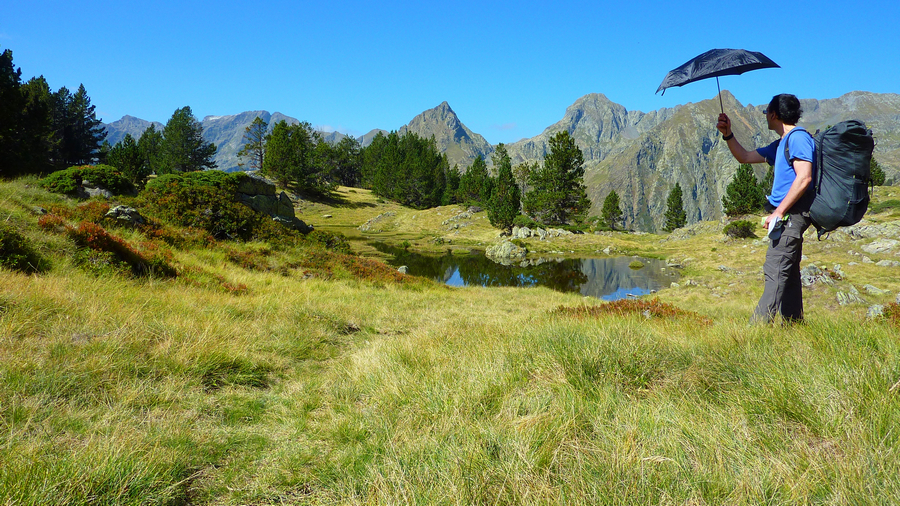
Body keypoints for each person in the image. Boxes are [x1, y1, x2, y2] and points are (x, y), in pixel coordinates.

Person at [716, 94, 814, 324]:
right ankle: (794, 327)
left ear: (774, 114)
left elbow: (804, 178)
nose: (765, 118)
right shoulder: (780, 144)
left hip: (792, 216)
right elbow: (744, 157)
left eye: (767, 114)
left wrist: (779, 211)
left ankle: (755, 333)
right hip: (787, 217)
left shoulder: (798, 139)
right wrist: (727, 134)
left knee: (775, 272)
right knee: (787, 274)